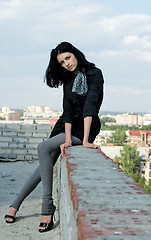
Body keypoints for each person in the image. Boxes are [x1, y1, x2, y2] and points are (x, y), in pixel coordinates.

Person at [4, 41, 104, 233]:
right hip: (65, 126)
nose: (66, 63)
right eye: (61, 62)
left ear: (75, 54)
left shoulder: (95, 73)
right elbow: (67, 109)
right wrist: (66, 139)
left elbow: (91, 105)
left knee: (42, 148)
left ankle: (46, 207)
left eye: (68, 58)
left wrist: (84, 141)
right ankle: (16, 204)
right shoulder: (68, 79)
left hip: (85, 128)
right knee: (44, 166)